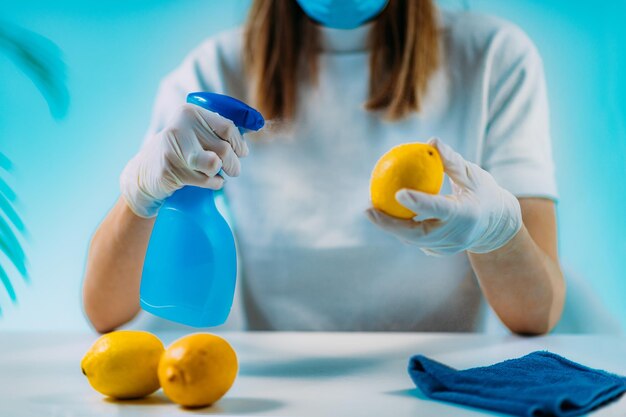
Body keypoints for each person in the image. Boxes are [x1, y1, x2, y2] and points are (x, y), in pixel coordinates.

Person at [82, 0, 565, 334]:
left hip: (441, 388)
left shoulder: (494, 59)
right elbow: (105, 312)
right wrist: (141, 196)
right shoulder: (214, 73)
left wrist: (497, 233)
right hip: (283, 389)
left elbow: (536, 315)